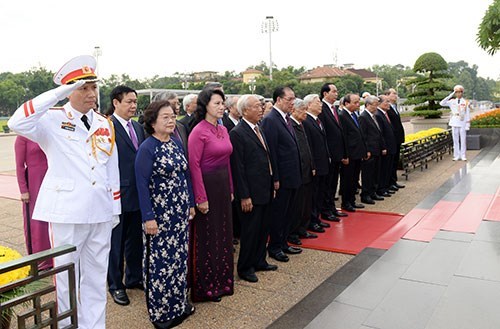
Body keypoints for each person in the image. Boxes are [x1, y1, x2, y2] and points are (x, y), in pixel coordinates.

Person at [8, 55, 120, 329]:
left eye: (93, 87)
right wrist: (59, 93)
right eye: (83, 88)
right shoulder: (52, 120)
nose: (92, 93)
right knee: (66, 277)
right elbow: (16, 123)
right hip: (67, 211)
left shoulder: (104, 123)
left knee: (95, 277)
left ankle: (94, 326)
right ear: (69, 91)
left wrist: (115, 210)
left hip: (100, 212)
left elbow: (111, 168)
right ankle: (70, 325)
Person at [135, 100, 195, 329]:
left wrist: (189, 202)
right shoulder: (147, 148)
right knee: (160, 265)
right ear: (152, 122)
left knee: (179, 261)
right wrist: (148, 217)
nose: (171, 121)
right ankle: (161, 315)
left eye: (173, 117)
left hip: (179, 216)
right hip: (159, 218)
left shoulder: (176, 143)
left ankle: (179, 306)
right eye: (166, 118)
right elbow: (142, 184)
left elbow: (185, 174)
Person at [188, 88, 234, 302]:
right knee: (208, 237)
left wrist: (232, 188)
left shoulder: (223, 130)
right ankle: (206, 286)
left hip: (223, 187)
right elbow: (194, 166)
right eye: (216, 103)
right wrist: (200, 197)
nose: (221, 106)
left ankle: (222, 281)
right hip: (206, 187)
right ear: (205, 105)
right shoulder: (199, 131)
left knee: (223, 235)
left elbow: (227, 162)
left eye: (222, 103)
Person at [229, 94, 277, 283]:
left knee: (263, 228)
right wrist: (245, 196)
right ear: (245, 111)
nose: (261, 109)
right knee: (250, 231)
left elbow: (266, 157)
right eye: (257, 106)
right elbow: (238, 168)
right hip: (251, 192)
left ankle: (259, 260)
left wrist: (273, 181)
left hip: (265, 188)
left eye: (261, 106)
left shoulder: (259, 128)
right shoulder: (238, 133)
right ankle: (245, 267)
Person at [107, 85, 146, 306]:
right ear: (116, 103)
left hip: (137, 194)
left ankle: (134, 277)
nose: (133, 106)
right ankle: (115, 284)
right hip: (117, 194)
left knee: (135, 240)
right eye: (129, 102)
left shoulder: (138, 127)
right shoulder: (106, 127)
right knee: (116, 243)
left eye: (135, 102)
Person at [260, 86, 302, 263]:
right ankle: (275, 247)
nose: (292, 103)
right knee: (279, 213)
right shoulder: (271, 120)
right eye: (289, 99)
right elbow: (272, 152)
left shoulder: (285, 118)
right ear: (278, 100)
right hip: (282, 177)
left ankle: (283, 242)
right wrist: (275, 178)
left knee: (288, 212)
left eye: (294, 99)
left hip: (292, 174)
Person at [14, 136, 53, 270]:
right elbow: (19, 166)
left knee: (52, 219)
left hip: (51, 178)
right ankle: (41, 260)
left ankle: (54, 256)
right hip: (34, 181)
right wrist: (23, 189)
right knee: (37, 223)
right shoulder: (22, 137)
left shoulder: (46, 131)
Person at [318, 83, 348, 219]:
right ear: (325, 93)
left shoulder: (334, 108)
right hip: (328, 154)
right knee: (327, 184)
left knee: (334, 182)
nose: (337, 94)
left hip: (337, 154)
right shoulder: (321, 108)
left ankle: (331, 208)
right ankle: (326, 211)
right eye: (334, 91)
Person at [302, 94, 331, 237]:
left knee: (320, 193)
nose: (320, 104)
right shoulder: (306, 121)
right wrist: (312, 165)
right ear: (308, 105)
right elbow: (309, 147)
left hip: (323, 163)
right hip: (315, 166)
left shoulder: (318, 120)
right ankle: (312, 221)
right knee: (313, 195)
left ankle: (317, 218)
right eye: (317, 102)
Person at [288, 98, 315, 247]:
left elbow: (306, 148)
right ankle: (293, 232)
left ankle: (303, 228)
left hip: (306, 170)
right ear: (294, 110)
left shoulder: (301, 124)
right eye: (302, 110)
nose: (305, 113)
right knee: (297, 205)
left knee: (305, 203)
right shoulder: (290, 125)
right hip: (297, 172)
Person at [339, 94, 370, 212]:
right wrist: (345, 155)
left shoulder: (354, 115)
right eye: (355, 102)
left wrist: (364, 150)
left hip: (358, 153)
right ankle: (346, 202)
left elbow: (360, 134)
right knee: (347, 179)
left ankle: (352, 200)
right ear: (347, 103)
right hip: (350, 154)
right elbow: (344, 138)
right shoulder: (342, 116)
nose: (358, 105)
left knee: (354, 179)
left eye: (358, 102)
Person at [358, 96, 386, 204]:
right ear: (368, 105)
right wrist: (367, 150)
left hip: (377, 149)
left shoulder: (374, 117)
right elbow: (363, 136)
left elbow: (379, 133)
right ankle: (365, 194)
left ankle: (373, 192)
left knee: (375, 173)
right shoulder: (363, 117)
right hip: (370, 151)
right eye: (374, 104)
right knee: (368, 174)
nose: (376, 107)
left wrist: (382, 147)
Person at [440, 85, 471, 161]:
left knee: (463, 140)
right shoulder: (452, 101)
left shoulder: (466, 102)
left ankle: (463, 155)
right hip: (454, 121)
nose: (458, 94)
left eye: (459, 92)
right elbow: (442, 103)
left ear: (462, 93)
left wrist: (467, 124)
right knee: (455, 139)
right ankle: (456, 155)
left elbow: (467, 114)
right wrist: (451, 94)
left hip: (462, 121)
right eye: (456, 92)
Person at [376, 95, 397, 198]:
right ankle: (382, 188)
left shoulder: (385, 114)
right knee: (383, 170)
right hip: (385, 147)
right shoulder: (378, 114)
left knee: (388, 168)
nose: (388, 104)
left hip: (391, 146)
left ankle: (387, 186)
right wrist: (383, 147)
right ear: (379, 103)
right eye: (386, 102)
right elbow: (381, 134)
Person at [385, 88, 406, 190]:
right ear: (387, 95)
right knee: (391, 162)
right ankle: (389, 182)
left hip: (397, 139)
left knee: (395, 161)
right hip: (392, 139)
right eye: (393, 93)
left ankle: (394, 181)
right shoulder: (387, 108)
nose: (395, 95)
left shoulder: (394, 106)